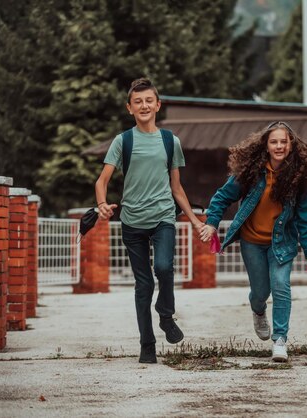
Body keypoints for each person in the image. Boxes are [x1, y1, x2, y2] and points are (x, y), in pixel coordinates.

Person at [95, 78, 205, 364]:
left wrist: (194, 220)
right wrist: (102, 205)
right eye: (137, 102)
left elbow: (177, 188)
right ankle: (147, 345)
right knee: (143, 285)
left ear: (158, 105)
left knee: (165, 268)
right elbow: (102, 180)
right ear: (129, 108)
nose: (144, 105)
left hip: (163, 217)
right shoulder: (123, 141)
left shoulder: (170, 141)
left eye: (148, 101)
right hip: (131, 222)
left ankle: (166, 315)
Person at [200, 121, 307, 362]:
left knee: (280, 286)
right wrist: (212, 223)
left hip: (282, 243)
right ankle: (258, 310)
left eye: (283, 141)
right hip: (252, 242)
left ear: (291, 145)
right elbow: (222, 197)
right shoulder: (251, 172)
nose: (279, 146)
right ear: (266, 145)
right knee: (260, 292)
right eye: (274, 141)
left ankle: (280, 340)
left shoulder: (300, 178)